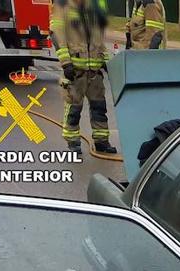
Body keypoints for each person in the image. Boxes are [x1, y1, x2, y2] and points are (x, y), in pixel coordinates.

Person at [50, 0, 117, 155]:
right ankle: (73, 143)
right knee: (74, 109)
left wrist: (106, 62)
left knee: (99, 109)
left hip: (94, 71)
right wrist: (66, 63)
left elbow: (99, 40)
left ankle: (101, 142)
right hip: (75, 70)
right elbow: (57, 36)